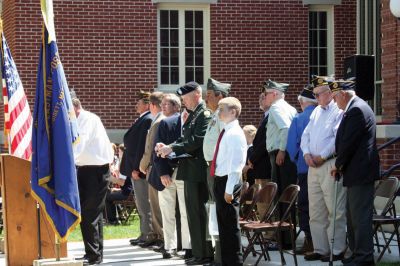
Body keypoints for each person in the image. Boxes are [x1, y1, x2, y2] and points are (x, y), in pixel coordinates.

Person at [157, 82, 213, 265]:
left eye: (186, 98)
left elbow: (197, 140)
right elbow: (184, 138)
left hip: (197, 170)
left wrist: (171, 148)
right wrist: (168, 147)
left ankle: (203, 253)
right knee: (191, 213)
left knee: (198, 213)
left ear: (197, 94)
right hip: (188, 170)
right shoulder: (194, 114)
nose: (184, 102)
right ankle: (197, 252)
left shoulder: (203, 114)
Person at [330, 80, 379, 266]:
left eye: (335, 97)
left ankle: (364, 257)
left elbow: (348, 142)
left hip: (360, 171)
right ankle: (356, 254)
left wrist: (338, 164)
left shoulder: (357, 109)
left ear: (343, 94)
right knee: (352, 217)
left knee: (360, 217)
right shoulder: (354, 109)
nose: (335, 102)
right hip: (355, 172)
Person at [300, 76, 346, 262]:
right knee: (316, 210)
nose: (316, 98)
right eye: (315, 94)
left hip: (329, 164)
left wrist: (323, 156)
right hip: (313, 166)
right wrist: (306, 154)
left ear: (329, 93)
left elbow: (337, 139)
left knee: (334, 209)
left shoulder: (339, 111)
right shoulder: (317, 111)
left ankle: (337, 250)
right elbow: (306, 135)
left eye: (318, 94)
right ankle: (321, 249)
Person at [72, 97, 114, 265]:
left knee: (89, 214)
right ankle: (95, 253)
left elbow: (79, 144)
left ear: (75, 108)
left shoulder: (87, 119)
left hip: (96, 171)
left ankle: (94, 255)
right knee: (91, 214)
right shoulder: (78, 120)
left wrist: (66, 163)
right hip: (85, 170)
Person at [154, 94, 192, 259]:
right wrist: (162, 172)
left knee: (180, 210)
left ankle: (179, 246)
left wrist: (163, 171)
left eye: (166, 105)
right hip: (172, 171)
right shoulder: (166, 122)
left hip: (182, 170)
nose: (163, 107)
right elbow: (158, 149)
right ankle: (177, 246)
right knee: (173, 210)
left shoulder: (191, 121)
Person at [213, 97, 247, 266]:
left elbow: (235, 165)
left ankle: (234, 261)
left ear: (233, 112)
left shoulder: (234, 133)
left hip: (229, 181)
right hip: (221, 180)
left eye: (222, 109)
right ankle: (227, 261)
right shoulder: (227, 130)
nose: (219, 112)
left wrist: (229, 189)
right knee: (223, 225)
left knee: (230, 225)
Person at [264, 79, 298, 248]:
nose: (265, 96)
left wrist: (282, 150)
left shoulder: (276, 108)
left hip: (280, 155)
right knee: (287, 197)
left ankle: (283, 241)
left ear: (275, 94)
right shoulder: (290, 107)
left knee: (281, 197)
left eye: (267, 93)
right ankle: (287, 238)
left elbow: (285, 129)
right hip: (286, 156)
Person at [119, 90, 154, 247]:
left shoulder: (147, 119)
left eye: (139, 102)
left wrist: (137, 169)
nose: (136, 105)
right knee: (140, 203)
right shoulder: (142, 119)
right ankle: (143, 233)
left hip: (138, 171)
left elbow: (141, 147)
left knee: (144, 203)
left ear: (147, 104)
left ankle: (148, 234)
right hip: (135, 169)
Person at [286, 84, 317, 255]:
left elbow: (291, 147)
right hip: (323, 166)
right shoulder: (323, 114)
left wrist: (298, 160)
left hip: (305, 169)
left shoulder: (299, 119)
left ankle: (309, 241)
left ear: (302, 102)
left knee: (305, 205)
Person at [203, 77, 231, 265]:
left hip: (219, 168)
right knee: (213, 209)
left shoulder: (224, 117)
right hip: (212, 166)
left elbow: (226, 145)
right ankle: (218, 253)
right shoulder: (214, 115)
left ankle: (222, 255)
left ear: (220, 96)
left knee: (218, 209)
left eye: (210, 95)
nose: (206, 99)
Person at [139, 91, 165, 248]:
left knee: (157, 205)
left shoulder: (158, 121)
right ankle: (158, 235)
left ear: (152, 105)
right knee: (154, 204)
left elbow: (150, 148)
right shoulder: (157, 119)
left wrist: (143, 165)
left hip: (155, 168)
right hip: (154, 167)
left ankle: (161, 237)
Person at [247, 85, 272, 217]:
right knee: (261, 201)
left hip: (265, 166)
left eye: (263, 97)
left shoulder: (270, 117)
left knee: (265, 201)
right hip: (259, 167)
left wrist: (252, 159)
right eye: (260, 97)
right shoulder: (265, 117)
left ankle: (268, 232)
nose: (260, 100)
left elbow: (263, 143)